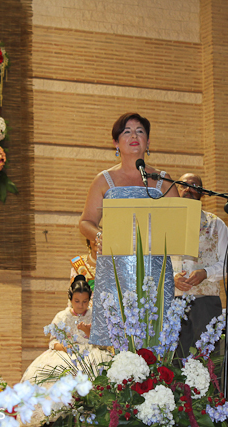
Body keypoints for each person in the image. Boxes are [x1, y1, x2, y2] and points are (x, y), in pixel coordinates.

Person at [79, 112, 179, 346]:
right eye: (127, 132)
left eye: (140, 131)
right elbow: (86, 222)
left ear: (148, 141)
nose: (134, 136)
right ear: (116, 143)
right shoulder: (104, 180)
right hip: (115, 269)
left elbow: (178, 222)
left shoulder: (163, 180)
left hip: (155, 269)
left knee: (155, 338)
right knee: (117, 339)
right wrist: (99, 236)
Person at [21, 275, 111, 425]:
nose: (81, 305)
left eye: (84, 301)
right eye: (77, 301)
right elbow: (53, 342)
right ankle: (54, 418)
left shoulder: (95, 316)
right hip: (66, 352)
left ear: (89, 299)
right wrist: (65, 347)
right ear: (70, 299)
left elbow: (103, 344)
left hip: (91, 353)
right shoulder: (62, 316)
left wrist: (89, 333)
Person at [172, 173, 228, 358]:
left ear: (202, 193)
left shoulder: (215, 224)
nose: (188, 189)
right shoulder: (167, 223)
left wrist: (206, 273)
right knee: (173, 358)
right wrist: (171, 278)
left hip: (206, 302)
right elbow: (155, 259)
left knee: (206, 357)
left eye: (194, 185)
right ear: (177, 190)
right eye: (183, 185)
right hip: (172, 301)